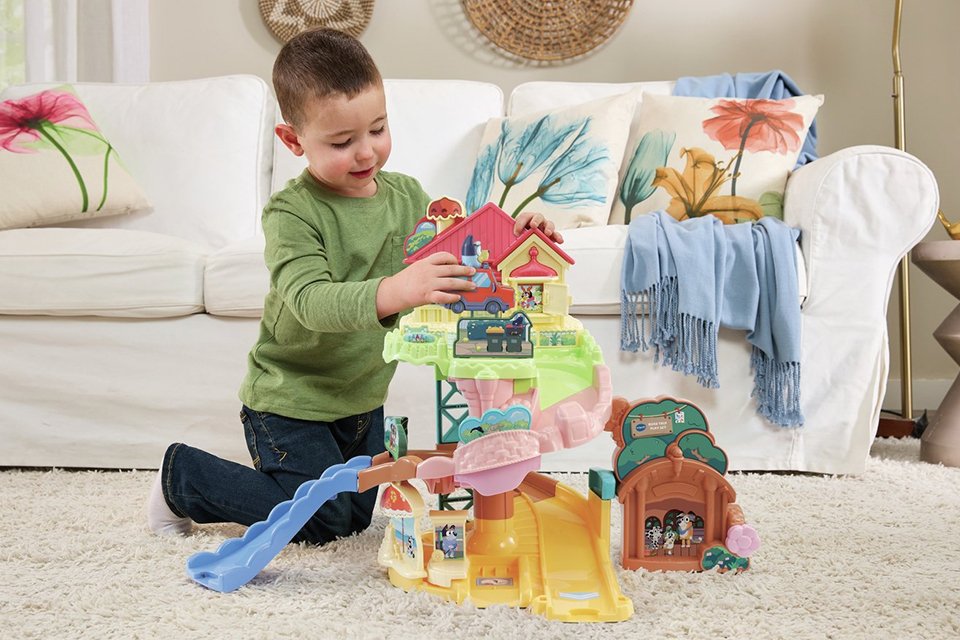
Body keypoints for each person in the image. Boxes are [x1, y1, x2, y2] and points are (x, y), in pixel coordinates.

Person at [145, 27, 562, 544]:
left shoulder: (407, 196)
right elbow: (310, 301)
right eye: (342, 142)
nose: (366, 153)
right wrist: (399, 289)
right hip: (291, 402)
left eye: (378, 129)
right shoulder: (292, 212)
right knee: (321, 522)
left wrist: (520, 236)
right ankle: (182, 478)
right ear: (294, 141)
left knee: (355, 518)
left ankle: (285, 490)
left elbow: (464, 247)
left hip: (362, 400)